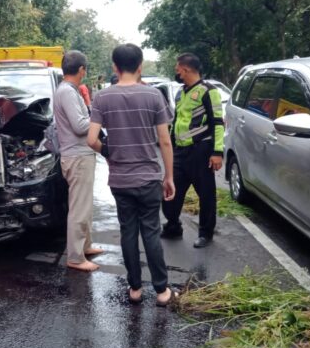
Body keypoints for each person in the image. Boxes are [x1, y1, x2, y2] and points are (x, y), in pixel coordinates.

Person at [87, 43, 176, 306]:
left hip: (120, 179)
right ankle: (161, 291)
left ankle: (135, 289)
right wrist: (168, 176)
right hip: (149, 177)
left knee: (128, 231)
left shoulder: (102, 98)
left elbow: (92, 139)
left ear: (115, 67)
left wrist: (109, 152)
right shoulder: (153, 96)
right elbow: (165, 141)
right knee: (151, 232)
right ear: (141, 66)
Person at [161, 53, 224, 248]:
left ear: (186, 69)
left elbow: (218, 122)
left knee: (206, 195)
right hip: (180, 151)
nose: (176, 71)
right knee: (171, 190)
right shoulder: (181, 92)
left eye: (178, 68)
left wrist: (217, 152)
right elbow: (178, 121)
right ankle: (173, 225)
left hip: (201, 151)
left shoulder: (208, 91)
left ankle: (206, 233)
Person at [53, 50, 103, 272]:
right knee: (79, 208)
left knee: (84, 205)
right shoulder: (67, 92)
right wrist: (99, 119)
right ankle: (75, 256)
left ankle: (86, 246)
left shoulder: (68, 90)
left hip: (79, 154)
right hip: (77, 156)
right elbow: (80, 126)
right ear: (82, 69)